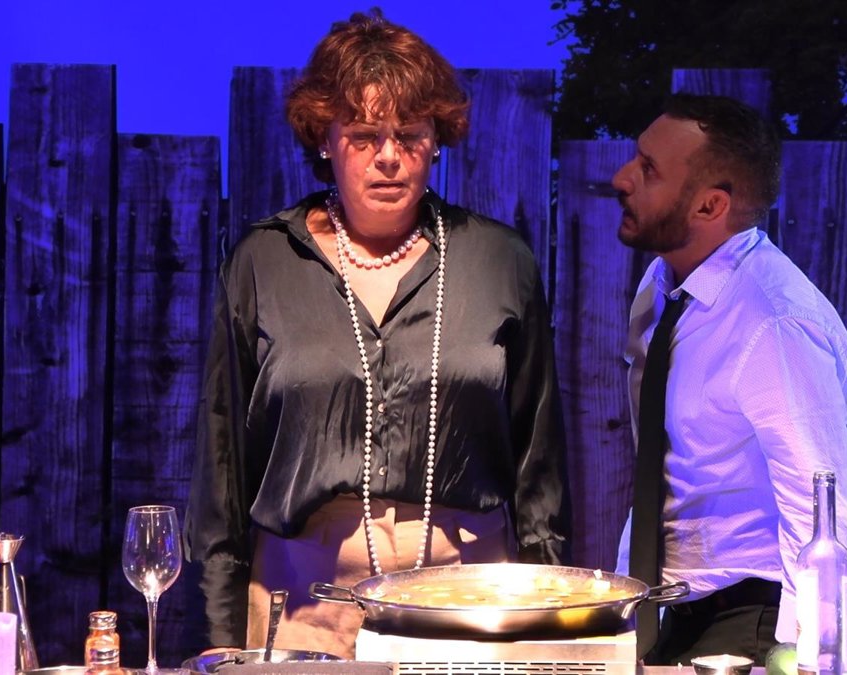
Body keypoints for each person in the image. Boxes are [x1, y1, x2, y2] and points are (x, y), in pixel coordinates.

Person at [184, 9, 570, 659]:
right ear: (324, 139)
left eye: (410, 134)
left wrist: (549, 636)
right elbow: (222, 470)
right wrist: (221, 646)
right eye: (364, 135)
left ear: (437, 139)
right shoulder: (263, 262)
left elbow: (541, 471)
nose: (389, 156)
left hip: (473, 603)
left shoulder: (500, 261)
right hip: (302, 609)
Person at [612, 94, 847, 666]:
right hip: (673, 611)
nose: (622, 178)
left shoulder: (775, 321)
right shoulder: (663, 285)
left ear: (710, 205)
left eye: (649, 169)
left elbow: (823, 513)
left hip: (756, 625)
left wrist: (806, 657)